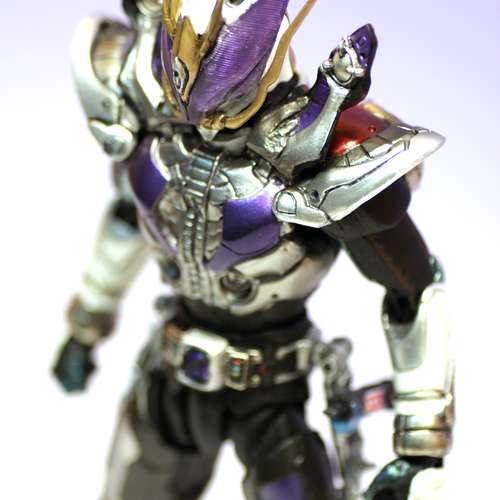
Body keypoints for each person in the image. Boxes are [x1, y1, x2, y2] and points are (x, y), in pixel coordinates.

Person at [53, 1, 454, 498]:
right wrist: (86, 326)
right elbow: (128, 221)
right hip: (171, 381)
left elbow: (412, 290)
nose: (206, 122)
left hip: (269, 396)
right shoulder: (151, 131)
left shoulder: (317, 164)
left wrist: (420, 445)